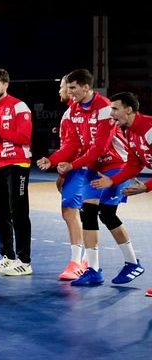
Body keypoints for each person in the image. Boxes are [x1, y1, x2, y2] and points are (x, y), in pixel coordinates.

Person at [42, 69, 143, 286]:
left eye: (73, 88)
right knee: (88, 213)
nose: (70, 93)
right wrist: (52, 160)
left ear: (86, 87)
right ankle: (94, 270)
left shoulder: (107, 108)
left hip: (115, 165)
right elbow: (74, 144)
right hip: (93, 168)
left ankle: (132, 262)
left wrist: (73, 165)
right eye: (68, 88)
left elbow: (100, 146)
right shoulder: (73, 111)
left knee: (107, 214)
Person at [91, 92, 150, 293]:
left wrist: (146, 186)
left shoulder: (149, 129)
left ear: (129, 109)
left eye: (115, 109)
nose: (111, 113)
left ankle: (132, 263)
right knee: (106, 213)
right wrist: (112, 180)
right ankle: (132, 263)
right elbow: (134, 164)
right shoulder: (130, 132)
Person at [0, 68, 33, 276]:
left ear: (5, 84)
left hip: (17, 164)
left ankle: (25, 261)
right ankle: (8, 257)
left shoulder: (19, 106)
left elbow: (24, 137)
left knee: (18, 211)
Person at [36, 77, 87, 280]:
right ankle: (85, 260)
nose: (60, 90)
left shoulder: (76, 112)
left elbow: (74, 146)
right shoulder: (70, 112)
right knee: (79, 213)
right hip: (77, 165)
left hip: (81, 166)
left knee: (70, 211)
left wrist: (63, 168)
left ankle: (78, 262)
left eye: (62, 86)